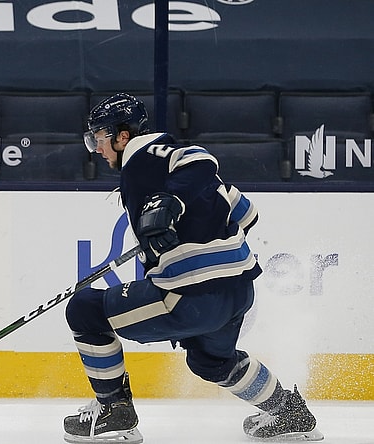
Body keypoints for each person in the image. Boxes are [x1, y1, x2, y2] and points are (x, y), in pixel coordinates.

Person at [62, 93, 323, 444]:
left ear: (122, 136)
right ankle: (288, 413)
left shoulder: (143, 158)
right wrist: (186, 220)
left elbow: (199, 159)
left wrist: (170, 202)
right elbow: (248, 213)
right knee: (210, 361)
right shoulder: (164, 171)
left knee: (85, 309)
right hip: (239, 292)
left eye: (99, 138)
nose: (96, 148)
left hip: (193, 296)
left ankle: (115, 412)